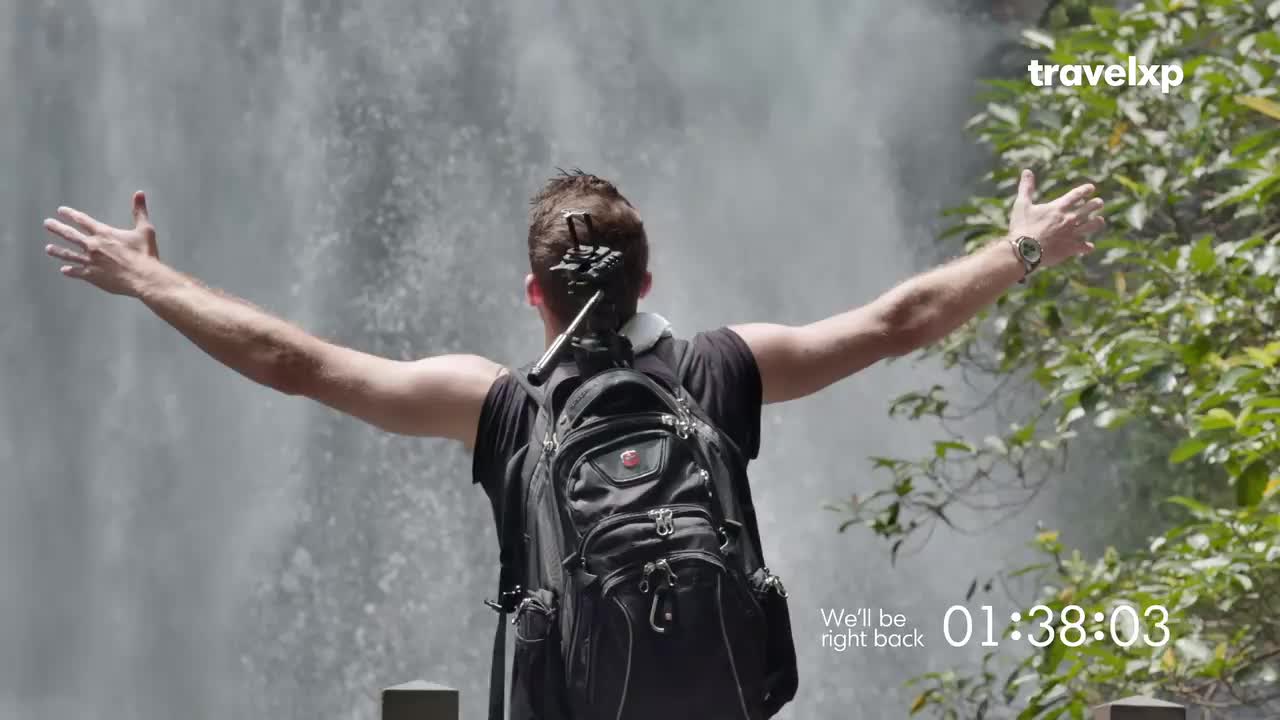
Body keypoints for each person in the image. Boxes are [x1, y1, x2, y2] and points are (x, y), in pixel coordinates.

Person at [40, 167, 1102, 700]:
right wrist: (1019, 249)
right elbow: (896, 323)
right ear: (648, 281)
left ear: (532, 295)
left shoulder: (499, 402)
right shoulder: (721, 368)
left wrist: (148, 277)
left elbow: (293, 365)